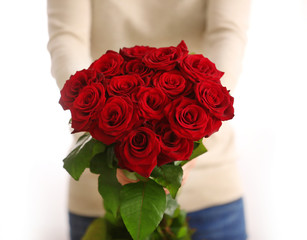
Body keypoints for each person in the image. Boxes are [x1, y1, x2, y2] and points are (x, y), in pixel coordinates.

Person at [47, 0, 251, 239]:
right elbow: (67, 38)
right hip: (102, 188)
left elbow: (228, 34)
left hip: (210, 190)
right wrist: (111, 138)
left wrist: (192, 137)